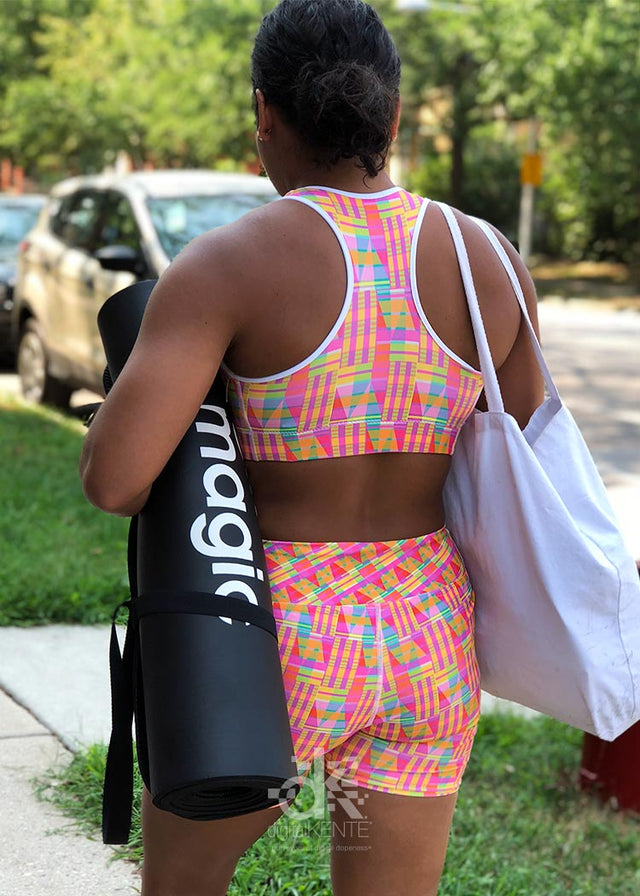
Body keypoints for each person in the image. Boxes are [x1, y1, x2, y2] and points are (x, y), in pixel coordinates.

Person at [80, 1, 544, 893]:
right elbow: (519, 447)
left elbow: (118, 480)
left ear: (265, 113)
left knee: (183, 886)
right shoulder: (488, 256)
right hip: (430, 631)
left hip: (268, 635)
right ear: (394, 114)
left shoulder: (228, 263)